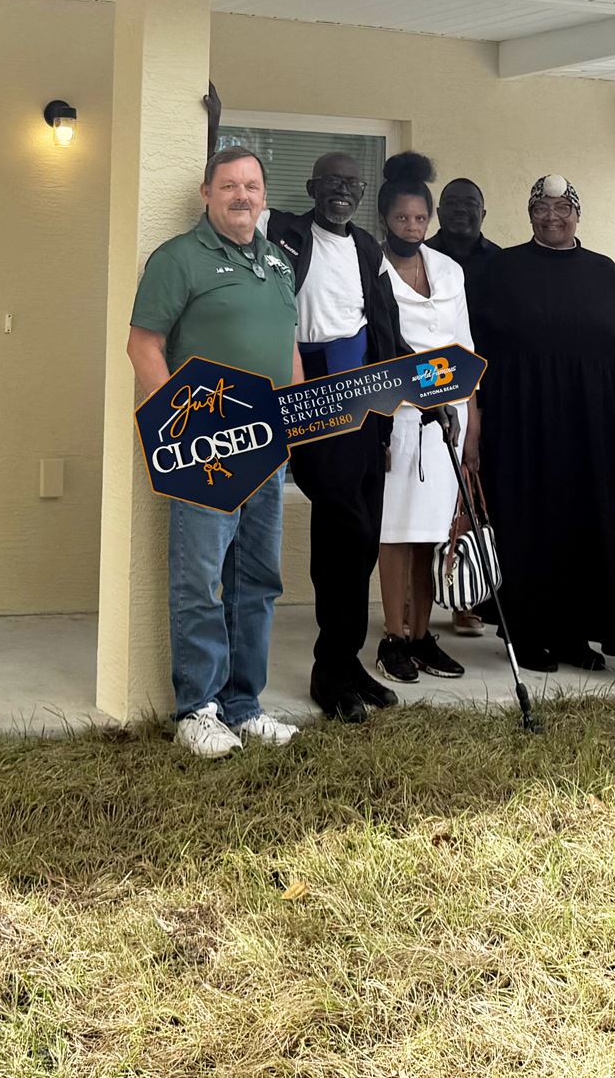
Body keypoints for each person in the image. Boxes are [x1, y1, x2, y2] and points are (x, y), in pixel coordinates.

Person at [125, 146, 306, 758]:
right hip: (208, 447)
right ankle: (196, 708)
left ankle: (243, 705)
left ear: (264, 194)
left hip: (267, 449)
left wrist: (296, 416)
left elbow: (288, 350)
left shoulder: (279, 263)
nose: (242, 196)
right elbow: (143, 346)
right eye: (229, 186)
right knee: (200, 579)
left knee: (257, 579)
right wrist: (181, 425)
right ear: (207, 194)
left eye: (252, 186)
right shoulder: (179, 260)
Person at [466, 174, 615, 672]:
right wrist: (474, 423)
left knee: (583, 525)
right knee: (526, 523)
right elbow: (472, 350)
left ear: (577, 214)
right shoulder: (502, 269)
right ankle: (526, 635)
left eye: (562, 208)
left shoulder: (603, 271)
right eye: (541, 209)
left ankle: (573, 636)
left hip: (591, 427)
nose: (552, 217)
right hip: (520, 424)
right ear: (529, 216)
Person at [265, 152, 405, 723]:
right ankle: (330, 670)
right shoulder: (286, 234)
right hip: (313, 393)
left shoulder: (369, 248)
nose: (340, 192)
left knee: (366, 532)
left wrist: (404, 398)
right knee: (341, 527)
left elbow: (386, 324)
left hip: (367, 396)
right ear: (312, 187)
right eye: (330, 184)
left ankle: (348, 663)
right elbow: (230, 191)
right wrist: (207, 122)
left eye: (351, 184)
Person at [369, 154, 472, 688]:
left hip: (447, 419)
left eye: (419, 219)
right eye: (402, 218)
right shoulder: (373, 271)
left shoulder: (449, 270)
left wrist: (468, 422)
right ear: (385, 218)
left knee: (431, 532)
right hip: (398, 417)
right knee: (396, 529)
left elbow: (464, 348)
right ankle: (392, 636)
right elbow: (378, 350)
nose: (412, 228)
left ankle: (420, 634)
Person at [428, 175, 500, 636]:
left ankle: (474, 595)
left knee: (480, 495)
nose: (460, 210)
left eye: (470, 203)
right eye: (451, 203)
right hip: (439, 393)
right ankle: (434, 595)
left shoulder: (503, 263)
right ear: (439, 211)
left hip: (495, 388)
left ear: (483, 212)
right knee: (436, 496)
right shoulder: (422, 257)